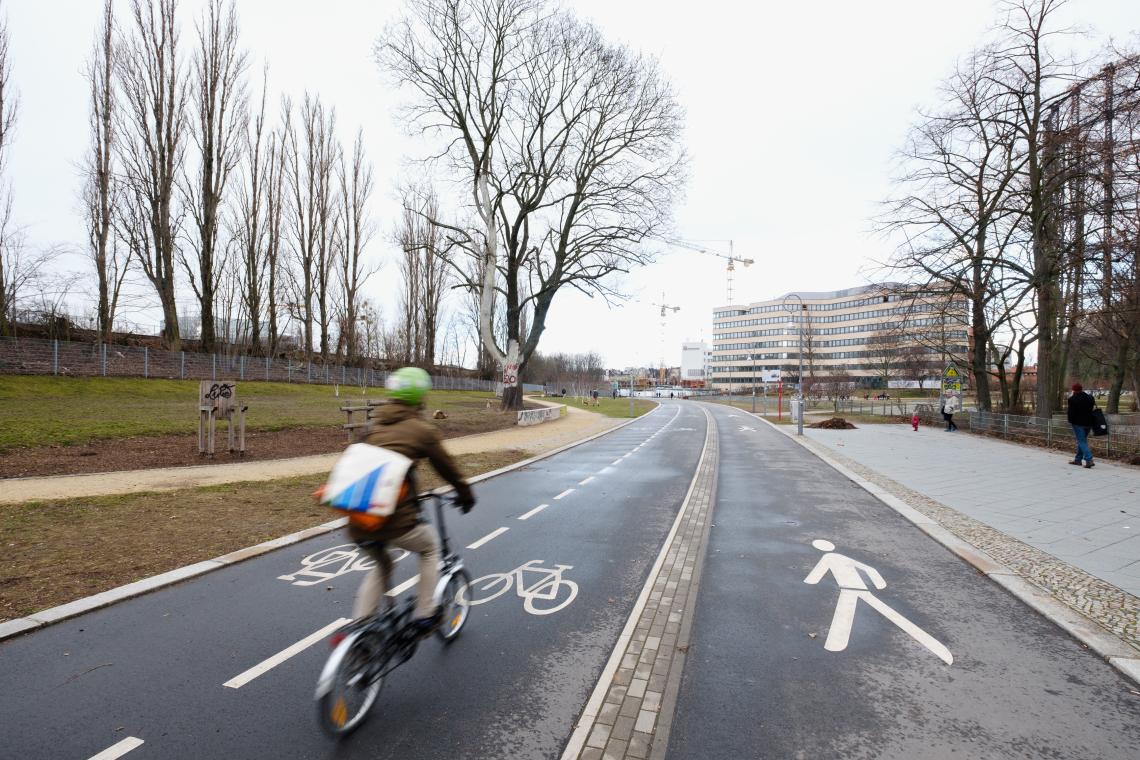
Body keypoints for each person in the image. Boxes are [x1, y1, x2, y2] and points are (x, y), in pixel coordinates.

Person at [350, 367, 476, 632]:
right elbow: (449, 470)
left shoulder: (374, 425)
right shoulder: (421, 430)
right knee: (430, 548)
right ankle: (425, 612)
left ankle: (360, 631)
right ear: (420, 397)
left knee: (383, 562)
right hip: (391, 518)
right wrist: (466, 496)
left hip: (356, 517)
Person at [1066, 382, 1096, 469]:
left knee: (1081, 441)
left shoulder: (1072, 399)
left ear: (1074, 390)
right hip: (1089, 423)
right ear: (1081, 389)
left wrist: (1070, 421)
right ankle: (1078, 460)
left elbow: (1071, 413)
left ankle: (1089, 459)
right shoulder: (1090, 398)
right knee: (1082, 441)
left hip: (1078, 423)